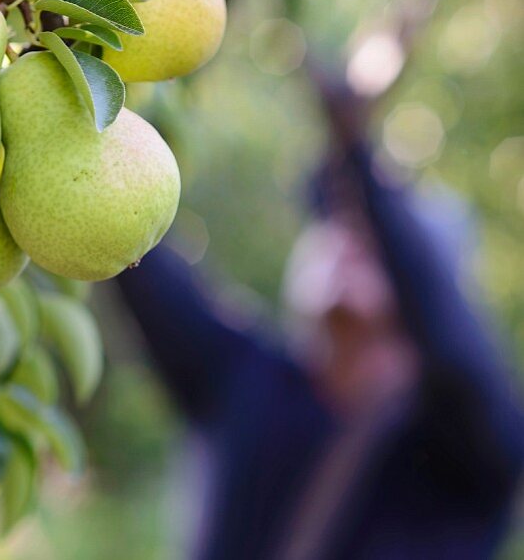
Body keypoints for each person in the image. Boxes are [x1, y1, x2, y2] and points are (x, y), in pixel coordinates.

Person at [116, 137, 524, 559]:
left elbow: (462, 360)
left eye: (372, 235)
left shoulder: (464, 450)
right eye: (332, 224)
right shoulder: (248, 381)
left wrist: (356, 149)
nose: (343, 241)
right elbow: (124, 234)